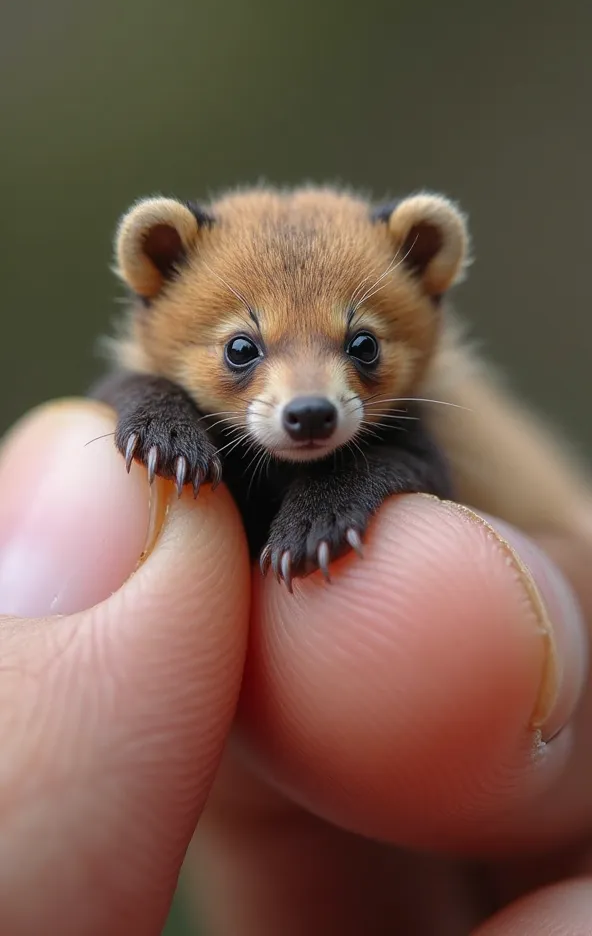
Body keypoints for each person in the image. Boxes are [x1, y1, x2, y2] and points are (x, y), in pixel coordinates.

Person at [0, 398, 591, 936]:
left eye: (359, 348)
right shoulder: (157, 386)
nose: (310, 399)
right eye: (242, 351)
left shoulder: (418, 420)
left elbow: (420, 460)